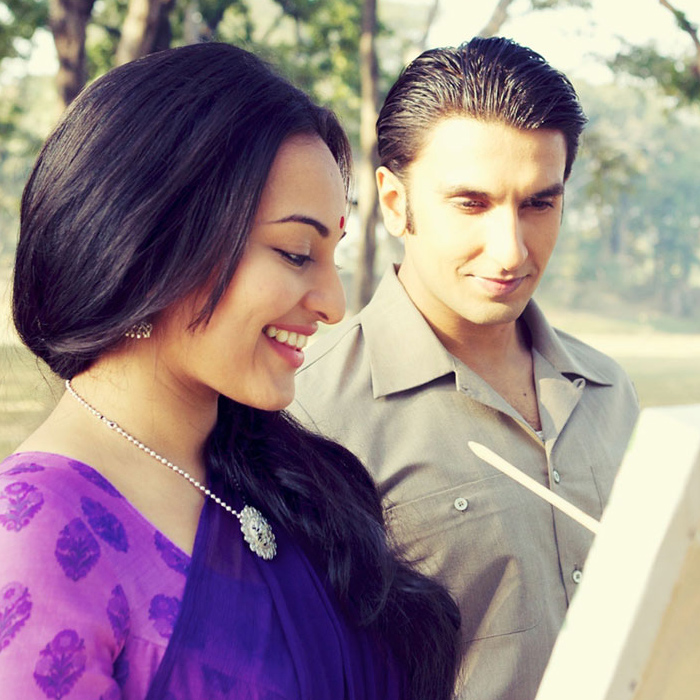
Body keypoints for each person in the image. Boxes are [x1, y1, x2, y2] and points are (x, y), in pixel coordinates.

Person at [0, 43, 461, 699]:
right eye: (296, 252)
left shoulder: (289, 479)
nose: (333, 304)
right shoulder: (33, 530)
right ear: (153, 245)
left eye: (333, 255)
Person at [291, 36, 640, 700]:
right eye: (472, 204)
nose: (511, 251)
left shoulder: (610, 392)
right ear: (396, 203)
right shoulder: (310, 412)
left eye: (539, 203)